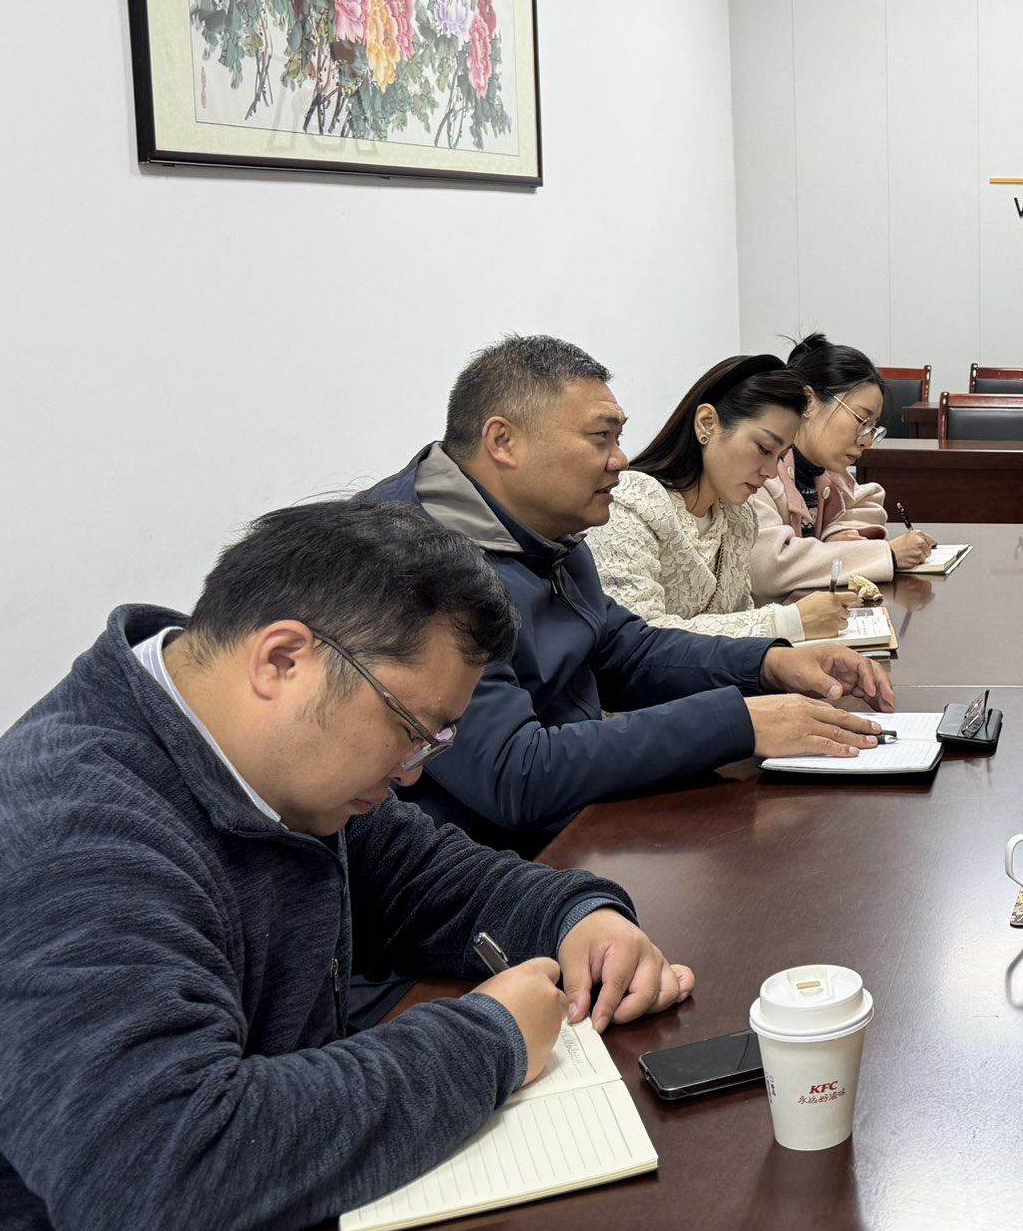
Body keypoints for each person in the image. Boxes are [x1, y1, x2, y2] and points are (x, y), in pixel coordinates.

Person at [0, 501, 697, 1231]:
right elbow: (162, 1182)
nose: (415, 772)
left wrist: (576, 914)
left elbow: (423, 877)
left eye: (436, 741)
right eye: (410, 727)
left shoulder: (262, 764)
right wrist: (492, 1040)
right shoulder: (65, 849)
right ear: (282, 660)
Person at [367, 335, 893, 854]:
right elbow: (514, 773)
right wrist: (739, 722)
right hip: (471, 866)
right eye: (601, 438)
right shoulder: (414, 567)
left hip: (574, 824)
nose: (620, 460)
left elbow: (626, 650)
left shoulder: (548, 530)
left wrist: (769, 664)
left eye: (618, 438)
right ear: (503, 442)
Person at [587, 352, 858, 643]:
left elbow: (740, 624)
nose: (770, 471)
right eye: (764, 449)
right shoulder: (632, 504)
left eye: (780, 456)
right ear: (707, 423)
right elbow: (637, 640)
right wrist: (787, 621)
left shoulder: (739, 518)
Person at [748, 332, 935, 597]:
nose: (866, 441)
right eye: (862, 421)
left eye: (873, 428)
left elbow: (867, 500)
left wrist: (839, 534)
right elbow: (770, 569)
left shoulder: (825, 472)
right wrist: (887, 555)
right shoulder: (761, 473)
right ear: (810, 401)